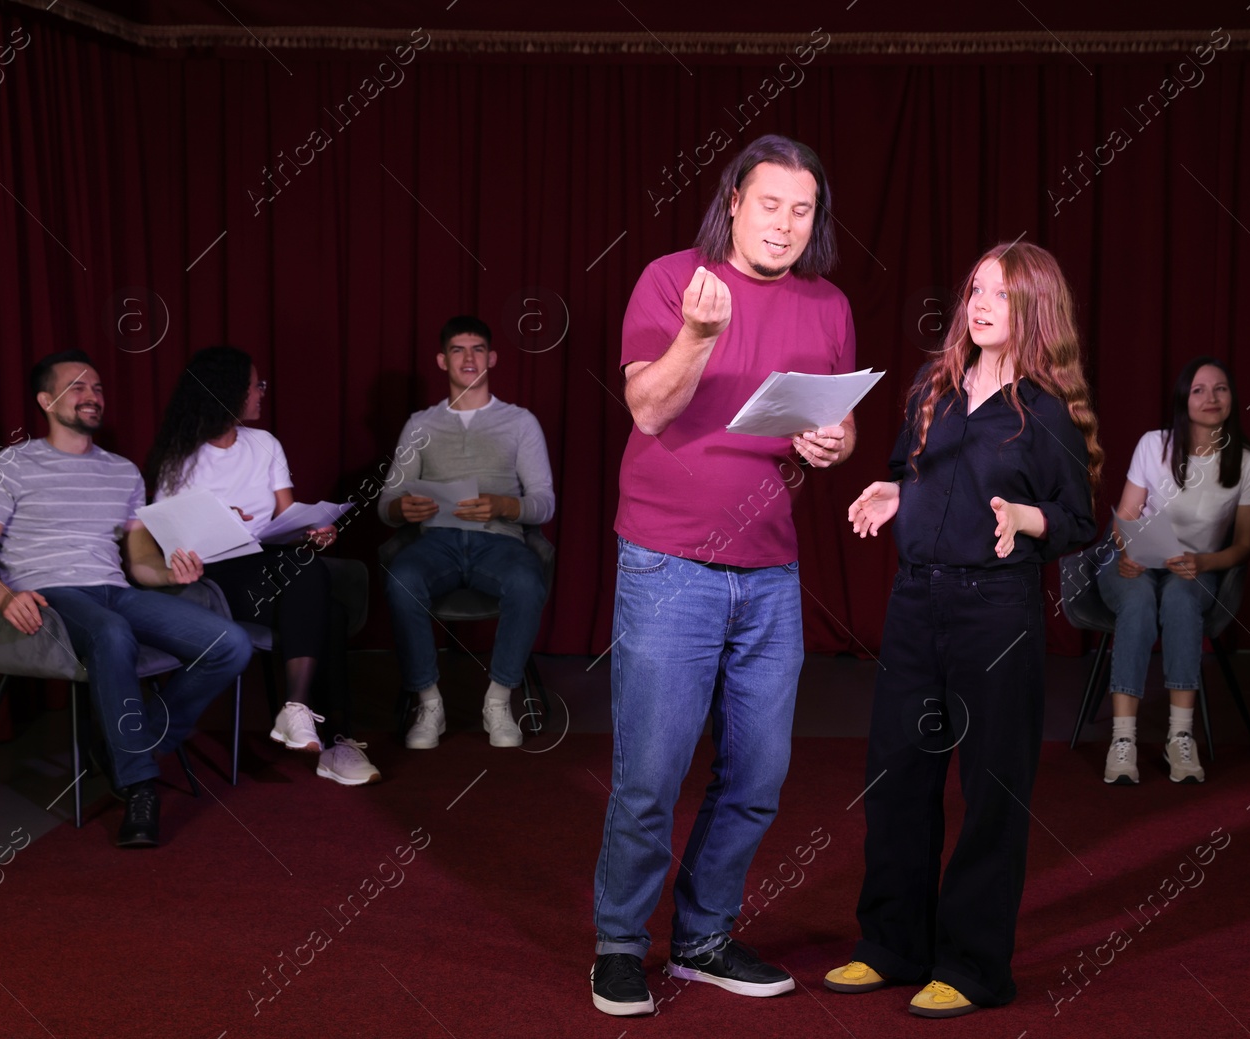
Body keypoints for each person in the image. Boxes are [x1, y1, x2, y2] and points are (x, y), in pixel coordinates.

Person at [590, 134, 857, 1017]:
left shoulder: (828, 304)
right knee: (652, 772)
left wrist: (833, 442)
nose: (784, 224)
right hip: (668, 565)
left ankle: (702, 937)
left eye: (802, 209)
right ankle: (622, 944)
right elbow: (649, 407)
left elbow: (832, 426)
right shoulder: (673, 281)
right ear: (734, 203)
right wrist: (701, 336)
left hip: (771, 571)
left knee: (758, 772)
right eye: (769, 203)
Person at [827, 241, 1099, 1018]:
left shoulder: (1044, 411)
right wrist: (889, 493)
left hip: (996, 613)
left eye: (1002, 294)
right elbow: (907, 473)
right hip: (916, 604)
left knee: (992, 789)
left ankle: (975, 965)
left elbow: (1079, 519)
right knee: (899, 778)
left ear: (1035, 309)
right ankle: (890, 946)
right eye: (976, 288)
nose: (980, 305)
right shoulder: (932, 386)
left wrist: (1024, 516)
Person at [0, 350, 252, 847]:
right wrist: (4, 596)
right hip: (48, 595)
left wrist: (174, 569)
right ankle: (139, 786)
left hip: (114, 590)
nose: (92, 396)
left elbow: (138, 566)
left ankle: (128, 744)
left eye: (97, 388)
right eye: (77, 387)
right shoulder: (10, 465)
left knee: (230, 643)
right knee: (112, 634)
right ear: (46, 401)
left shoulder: (123, 472)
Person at [146, 346, 376, 786]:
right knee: (320, 593)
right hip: (214, 576)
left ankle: (301, 714)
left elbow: (285, 521)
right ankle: (331, 737)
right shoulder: (179, 456)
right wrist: (214, 514)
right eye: (257, 386)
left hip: (270, 565)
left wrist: (312, 532)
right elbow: (166, 536)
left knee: (314, 578)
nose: (262, 393)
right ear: (228, 392)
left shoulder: (266, 444)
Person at [379, 315, 555, 751]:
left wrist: (505, 506)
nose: (469, 358)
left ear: (492, 358)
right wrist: (403, 508)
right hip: (436, 540)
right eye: (458, 350)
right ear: (442, 361)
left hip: (498, 541)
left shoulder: (520, 422)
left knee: (526, 581)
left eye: (477, 349)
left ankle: (498, 699)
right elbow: (387, 504)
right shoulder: (420, 424)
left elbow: (544, 502)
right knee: (402, 579)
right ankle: (428, 701)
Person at [1096, 357, 1250, 785]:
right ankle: (1123, 741)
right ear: (1183, 400)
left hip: (1195, 568)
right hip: (1136, 561)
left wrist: (1204, 562)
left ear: (1232, 398)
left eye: (1220, 389)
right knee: (1136, 601)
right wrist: (1127, 549)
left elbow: (1243, 546)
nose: (1211, 398)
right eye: (1199, 390)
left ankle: (1180, 736)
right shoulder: (1155, 444)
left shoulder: (1248, 463)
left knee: (1180, 599)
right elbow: (1125, 516)